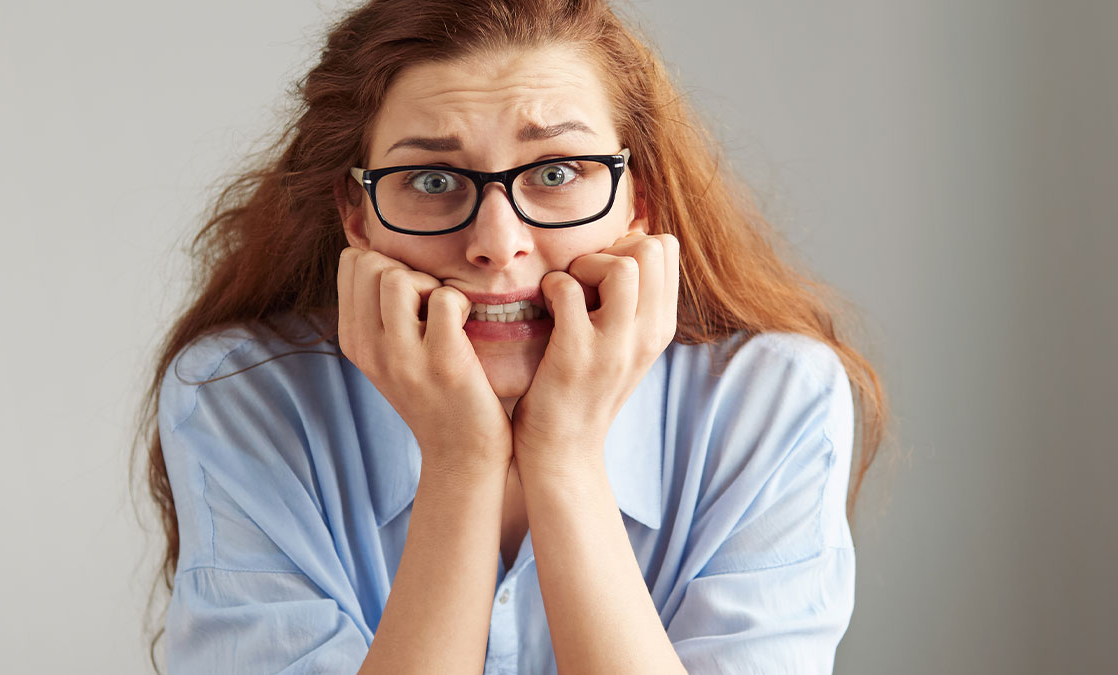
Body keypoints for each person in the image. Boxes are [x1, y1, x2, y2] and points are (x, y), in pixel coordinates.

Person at [136, 0, 888, 673]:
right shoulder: (241, 398)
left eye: (557, 171)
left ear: (639, 202)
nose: (497, 243)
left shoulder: (773, 400)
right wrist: (460, 461)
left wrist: (564, 455)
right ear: (356, 217)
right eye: (432, 181)